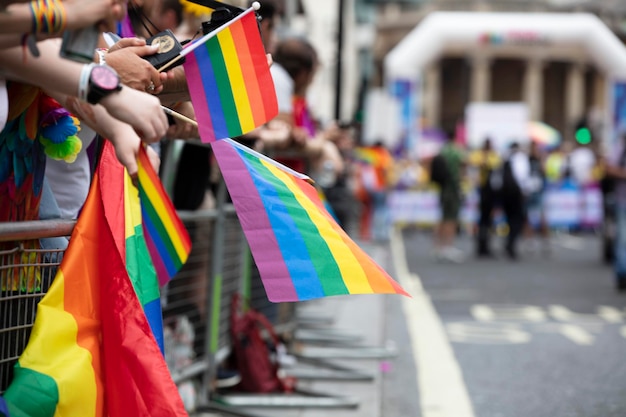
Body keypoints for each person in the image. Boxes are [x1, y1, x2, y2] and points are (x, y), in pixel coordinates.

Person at [433, 131, 466, 262]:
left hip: (443, 188)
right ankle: (448, 246)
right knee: (451, 218)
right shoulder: (455, 151)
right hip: (452, 188)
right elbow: (464, 163)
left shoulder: (443, 150)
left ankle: (438, 246)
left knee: (443, 216)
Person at [469, 137, 501, 257]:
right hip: (481, 191)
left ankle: (486, 244)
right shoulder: (478, 155)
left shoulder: (494, 156)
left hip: (491, 193)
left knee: (488, 220)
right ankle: (481, 245)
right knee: (482, 220)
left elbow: (496, 165)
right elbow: (473, 164)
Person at [603, 134, 626, 290]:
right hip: (622, 201)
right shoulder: (620, 149)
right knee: (623, 239)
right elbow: (608, 167)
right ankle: (622, 274)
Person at [500, 142, 531, 260]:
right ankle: (511, 245)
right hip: (516, 194)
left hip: (506, 194)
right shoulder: (520, 159)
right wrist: (524, 191)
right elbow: (522, 177)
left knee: (510, 219)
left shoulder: (507, 158)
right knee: (517, 220)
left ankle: (509, 243)